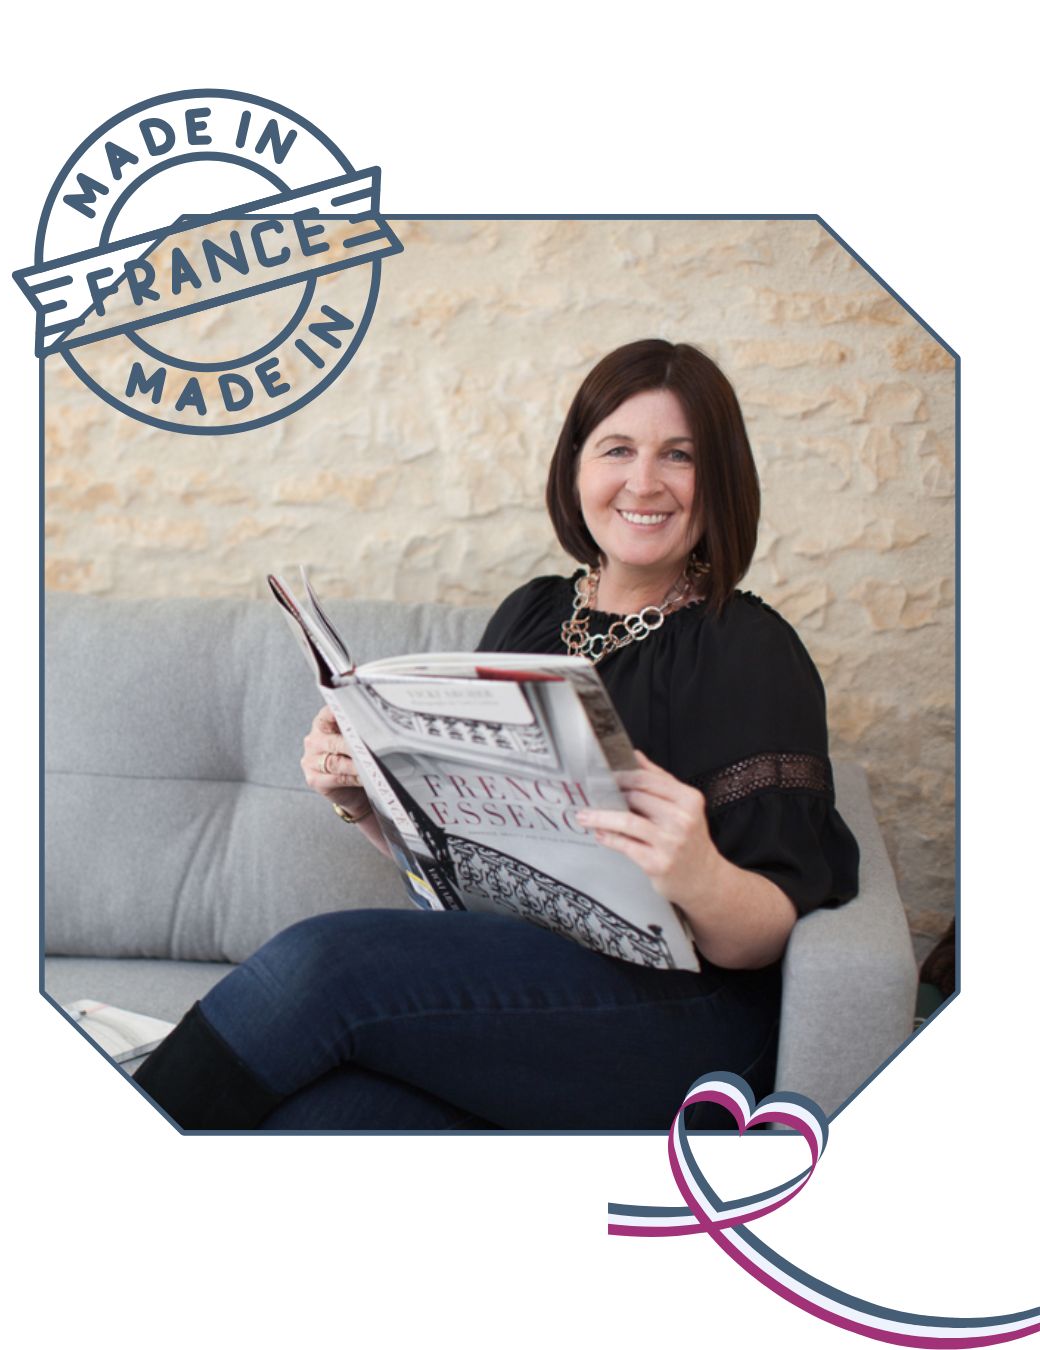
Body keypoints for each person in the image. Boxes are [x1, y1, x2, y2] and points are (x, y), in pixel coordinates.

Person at [134, 339, 859, 1131]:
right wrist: (366, 801)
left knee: (319, 968)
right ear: (576, 466)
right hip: (525, 992)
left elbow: (763, 937)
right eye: (618, 448)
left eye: (679, 456)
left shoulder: (749, 649)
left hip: (682, 1019)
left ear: (719, 480)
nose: (644, 482)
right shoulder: (533, 614)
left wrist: (696, 871)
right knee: (321, 1117)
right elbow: (469, 860)